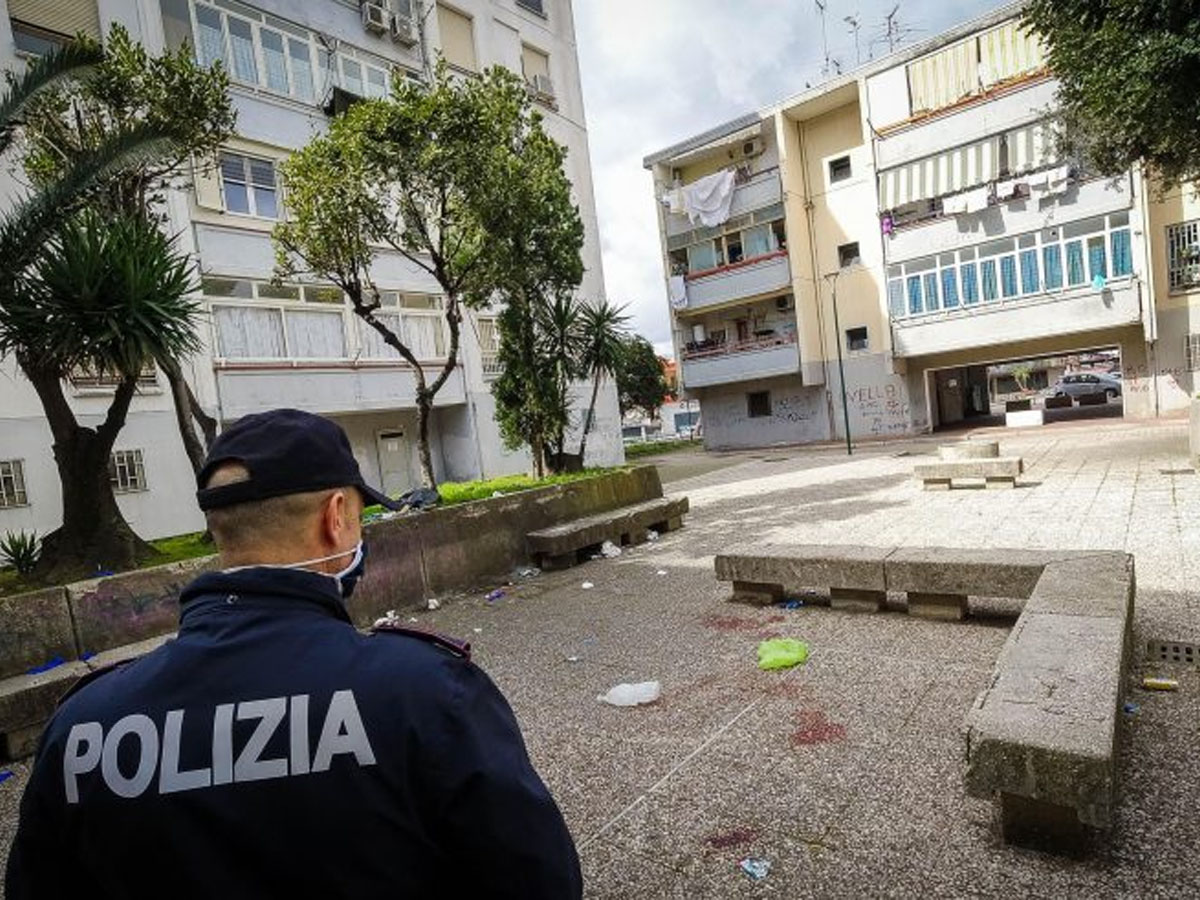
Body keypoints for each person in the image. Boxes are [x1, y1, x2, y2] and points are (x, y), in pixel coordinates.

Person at [6, 408, 581, 899]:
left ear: (220, 528)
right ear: (336, 517)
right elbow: (539, 880)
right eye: (360, 517)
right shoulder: (428, 695)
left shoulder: (82, 728)